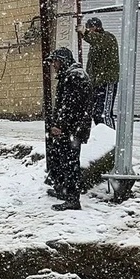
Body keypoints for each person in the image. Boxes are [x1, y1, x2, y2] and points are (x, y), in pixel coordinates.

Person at [45, 47, 95, 211]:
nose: (53, 65)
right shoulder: (73, 75)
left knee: (70, 162)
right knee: (64, 159)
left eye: (55, 61)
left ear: (62, 61)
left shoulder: (74, 77)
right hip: (74, 127)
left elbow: (69, 106)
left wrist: (60, 125)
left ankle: (73, 199)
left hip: (72, 129)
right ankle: (65, 191)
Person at [77, 17, 120, 128]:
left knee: (104, 114)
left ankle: (111, 140)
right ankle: (103, 138)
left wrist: (84, 32)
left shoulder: (108, 38)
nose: (88, 30)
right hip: (96, 84)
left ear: (95, 27)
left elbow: (97, 39)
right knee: (96, 114)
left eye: (89, 28)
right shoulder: (95, 44)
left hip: (106, 82)